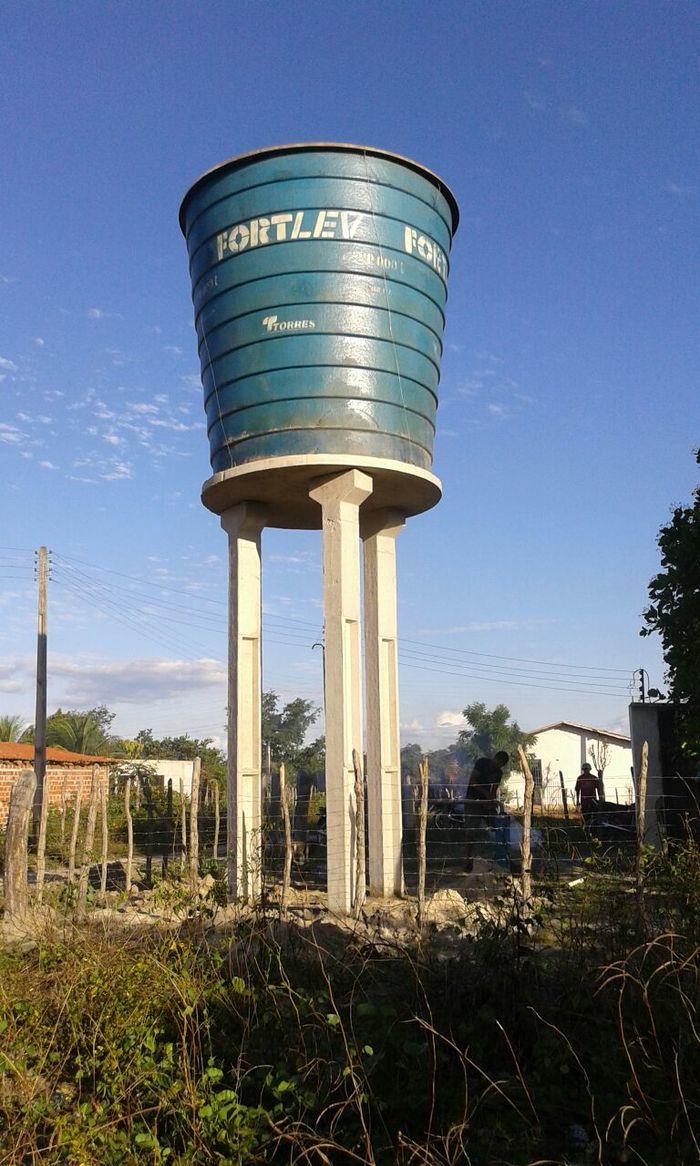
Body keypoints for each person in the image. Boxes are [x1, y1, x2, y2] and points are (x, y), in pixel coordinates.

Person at [463, 751, 509, 870]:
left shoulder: (498, 773)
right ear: (494, 758)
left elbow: (494, 790)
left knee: (494, 828)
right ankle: (468, 860)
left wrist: (491, 802)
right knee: (471, 832)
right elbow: (472, 782)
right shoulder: (482, 763)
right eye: (497, 762)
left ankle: (494, 858)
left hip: (486, 803)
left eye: (501, 765)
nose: (498, 766)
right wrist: (486, 793)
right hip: (472, 801)